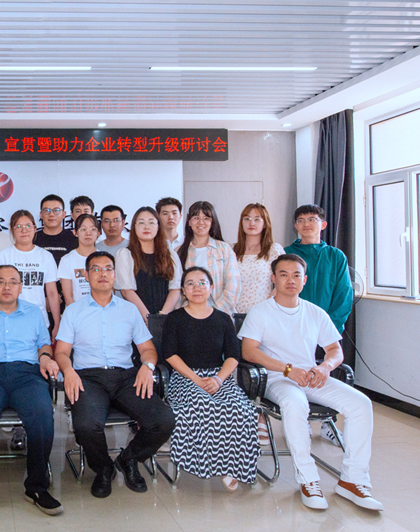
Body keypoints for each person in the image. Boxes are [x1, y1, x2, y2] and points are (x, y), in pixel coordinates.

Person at [240, 255, 383, 512]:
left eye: (296, 275)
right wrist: (287, 369)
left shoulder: (315, 312)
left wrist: (325, 367)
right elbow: (249, 351)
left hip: (311, 376)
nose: (290, 280)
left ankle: (353, 481)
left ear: (304, 280)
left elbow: (334, 350)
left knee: (361, 404)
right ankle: (308, 480)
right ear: (273, 278)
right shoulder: (260, 312)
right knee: (296, 405)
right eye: (283, 274)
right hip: (277, 378)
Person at [54, 251, 175, 499]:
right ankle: (103, 468)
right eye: (96, 269)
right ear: (86, 275)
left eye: (108, 269)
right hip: (88, 378)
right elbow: (62, 352)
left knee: (163, 420)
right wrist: (68, 371)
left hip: (126, 377)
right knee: (86, 426)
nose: (102, 274)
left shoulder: (129, 310)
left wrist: (147, 367)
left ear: (115, 274)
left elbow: (148, 350)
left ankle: (129, 459)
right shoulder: (73, 311)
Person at [0, 265, 63, 520]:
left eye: (12, 282)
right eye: (1, 282)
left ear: (20, 287)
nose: (7, 286)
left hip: (27, 374)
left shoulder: (33, 312)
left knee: (42, 414)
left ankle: (37, 487)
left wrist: (45, 358)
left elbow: (43, 345)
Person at [161, 267, 259, 491]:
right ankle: (213, 465)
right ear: (183, 290)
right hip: (185, 378)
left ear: (211, 287)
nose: (196, 288)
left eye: (202, 283)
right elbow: (170, 355)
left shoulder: (223, 319)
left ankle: (232, 466)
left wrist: (218, 379)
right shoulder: (175, 319)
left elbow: (233, 356)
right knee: (203, 404)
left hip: (219, 377)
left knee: (241, 409)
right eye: (190, 283)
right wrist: (197, 380)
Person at [284, 205, 354, 335]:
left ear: (323, 225)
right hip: (292, 328)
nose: (306, 224)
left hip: (328, 329)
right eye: (301, 220)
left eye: (312, 219)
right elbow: (278, 291)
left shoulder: (336, 256)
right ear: (296, 226)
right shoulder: (285, 254)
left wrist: (329, 326)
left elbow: (344, 294)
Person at [0, 210, 60, 337]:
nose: (24, 230)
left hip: (39, 321)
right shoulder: (3, 256)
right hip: (9, 321)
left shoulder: (45, 256)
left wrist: (57, 323)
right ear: (12, 230)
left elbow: (52, 293)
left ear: (35, 229)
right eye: (19, 226)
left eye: (28, 226)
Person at [114, 207, 182, 322]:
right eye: (141, 222)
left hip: (166, 319)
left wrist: (162, 316)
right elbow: (126, 291)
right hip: (137, 319)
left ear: (158, 226)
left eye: (151, 222)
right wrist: (148, 318)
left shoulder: (170, 255)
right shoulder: (125, 254)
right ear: (134, 227)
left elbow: (175, 288)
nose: (146, 227)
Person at [177, 201, 241, 316]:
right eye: (196, 218)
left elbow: (233, 287)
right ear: (189, 222)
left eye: (206, 218)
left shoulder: (224, 249)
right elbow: (177, 290)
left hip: (221, 315)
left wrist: (213, 314)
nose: (201, 222)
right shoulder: (179, 252)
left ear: (212, 222)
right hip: (189, 317)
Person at [233, 203, 285, 315]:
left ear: (265, 224)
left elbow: (283, 282)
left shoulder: (274, 250)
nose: (251, 223)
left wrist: (266, 307)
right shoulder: (230, 250)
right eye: (247, 219)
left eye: (257, 219)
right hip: (233, 314)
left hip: (265, 313)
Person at [58, 213, 99, 306]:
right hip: (76, 312)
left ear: (98, 233)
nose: (88, 233)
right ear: (75, 233)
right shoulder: (67, 260)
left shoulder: (104, 258)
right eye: (83, 229)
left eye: (92, 229)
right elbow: (68, 298)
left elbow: (109, 292)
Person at [33, 194, 77, 264]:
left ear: (64, 214)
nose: (51, 214)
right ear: (41, 214)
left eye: (56, 210)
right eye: (47, 210)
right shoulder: (33, 238)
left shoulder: (73, 239)